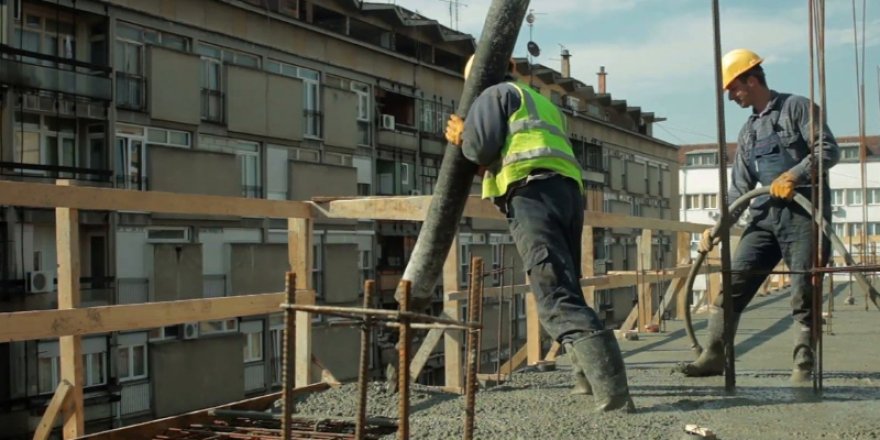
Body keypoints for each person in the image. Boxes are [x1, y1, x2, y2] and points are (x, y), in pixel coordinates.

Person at [445, 55, 634, 411]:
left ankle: (615, 397)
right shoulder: (540, 102)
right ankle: (586, 381)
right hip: (565, 193)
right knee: (567, 282)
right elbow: (501, 156)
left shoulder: (493, 95)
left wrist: (462, 136)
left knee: (553, 293)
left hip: (531, 195)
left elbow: (479, 148)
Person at [679, 49, 839, 382]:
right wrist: (719, 227)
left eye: (734, 88)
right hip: (764, 217)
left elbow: (828, 149)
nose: (732, 96)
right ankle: (713, 355)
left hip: (803, 216)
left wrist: (793, 175)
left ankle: (803, 364)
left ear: (752, 80)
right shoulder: (748, 131)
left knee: (802, 290)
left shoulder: (796, 107)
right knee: (734, 282)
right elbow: (740, 189)